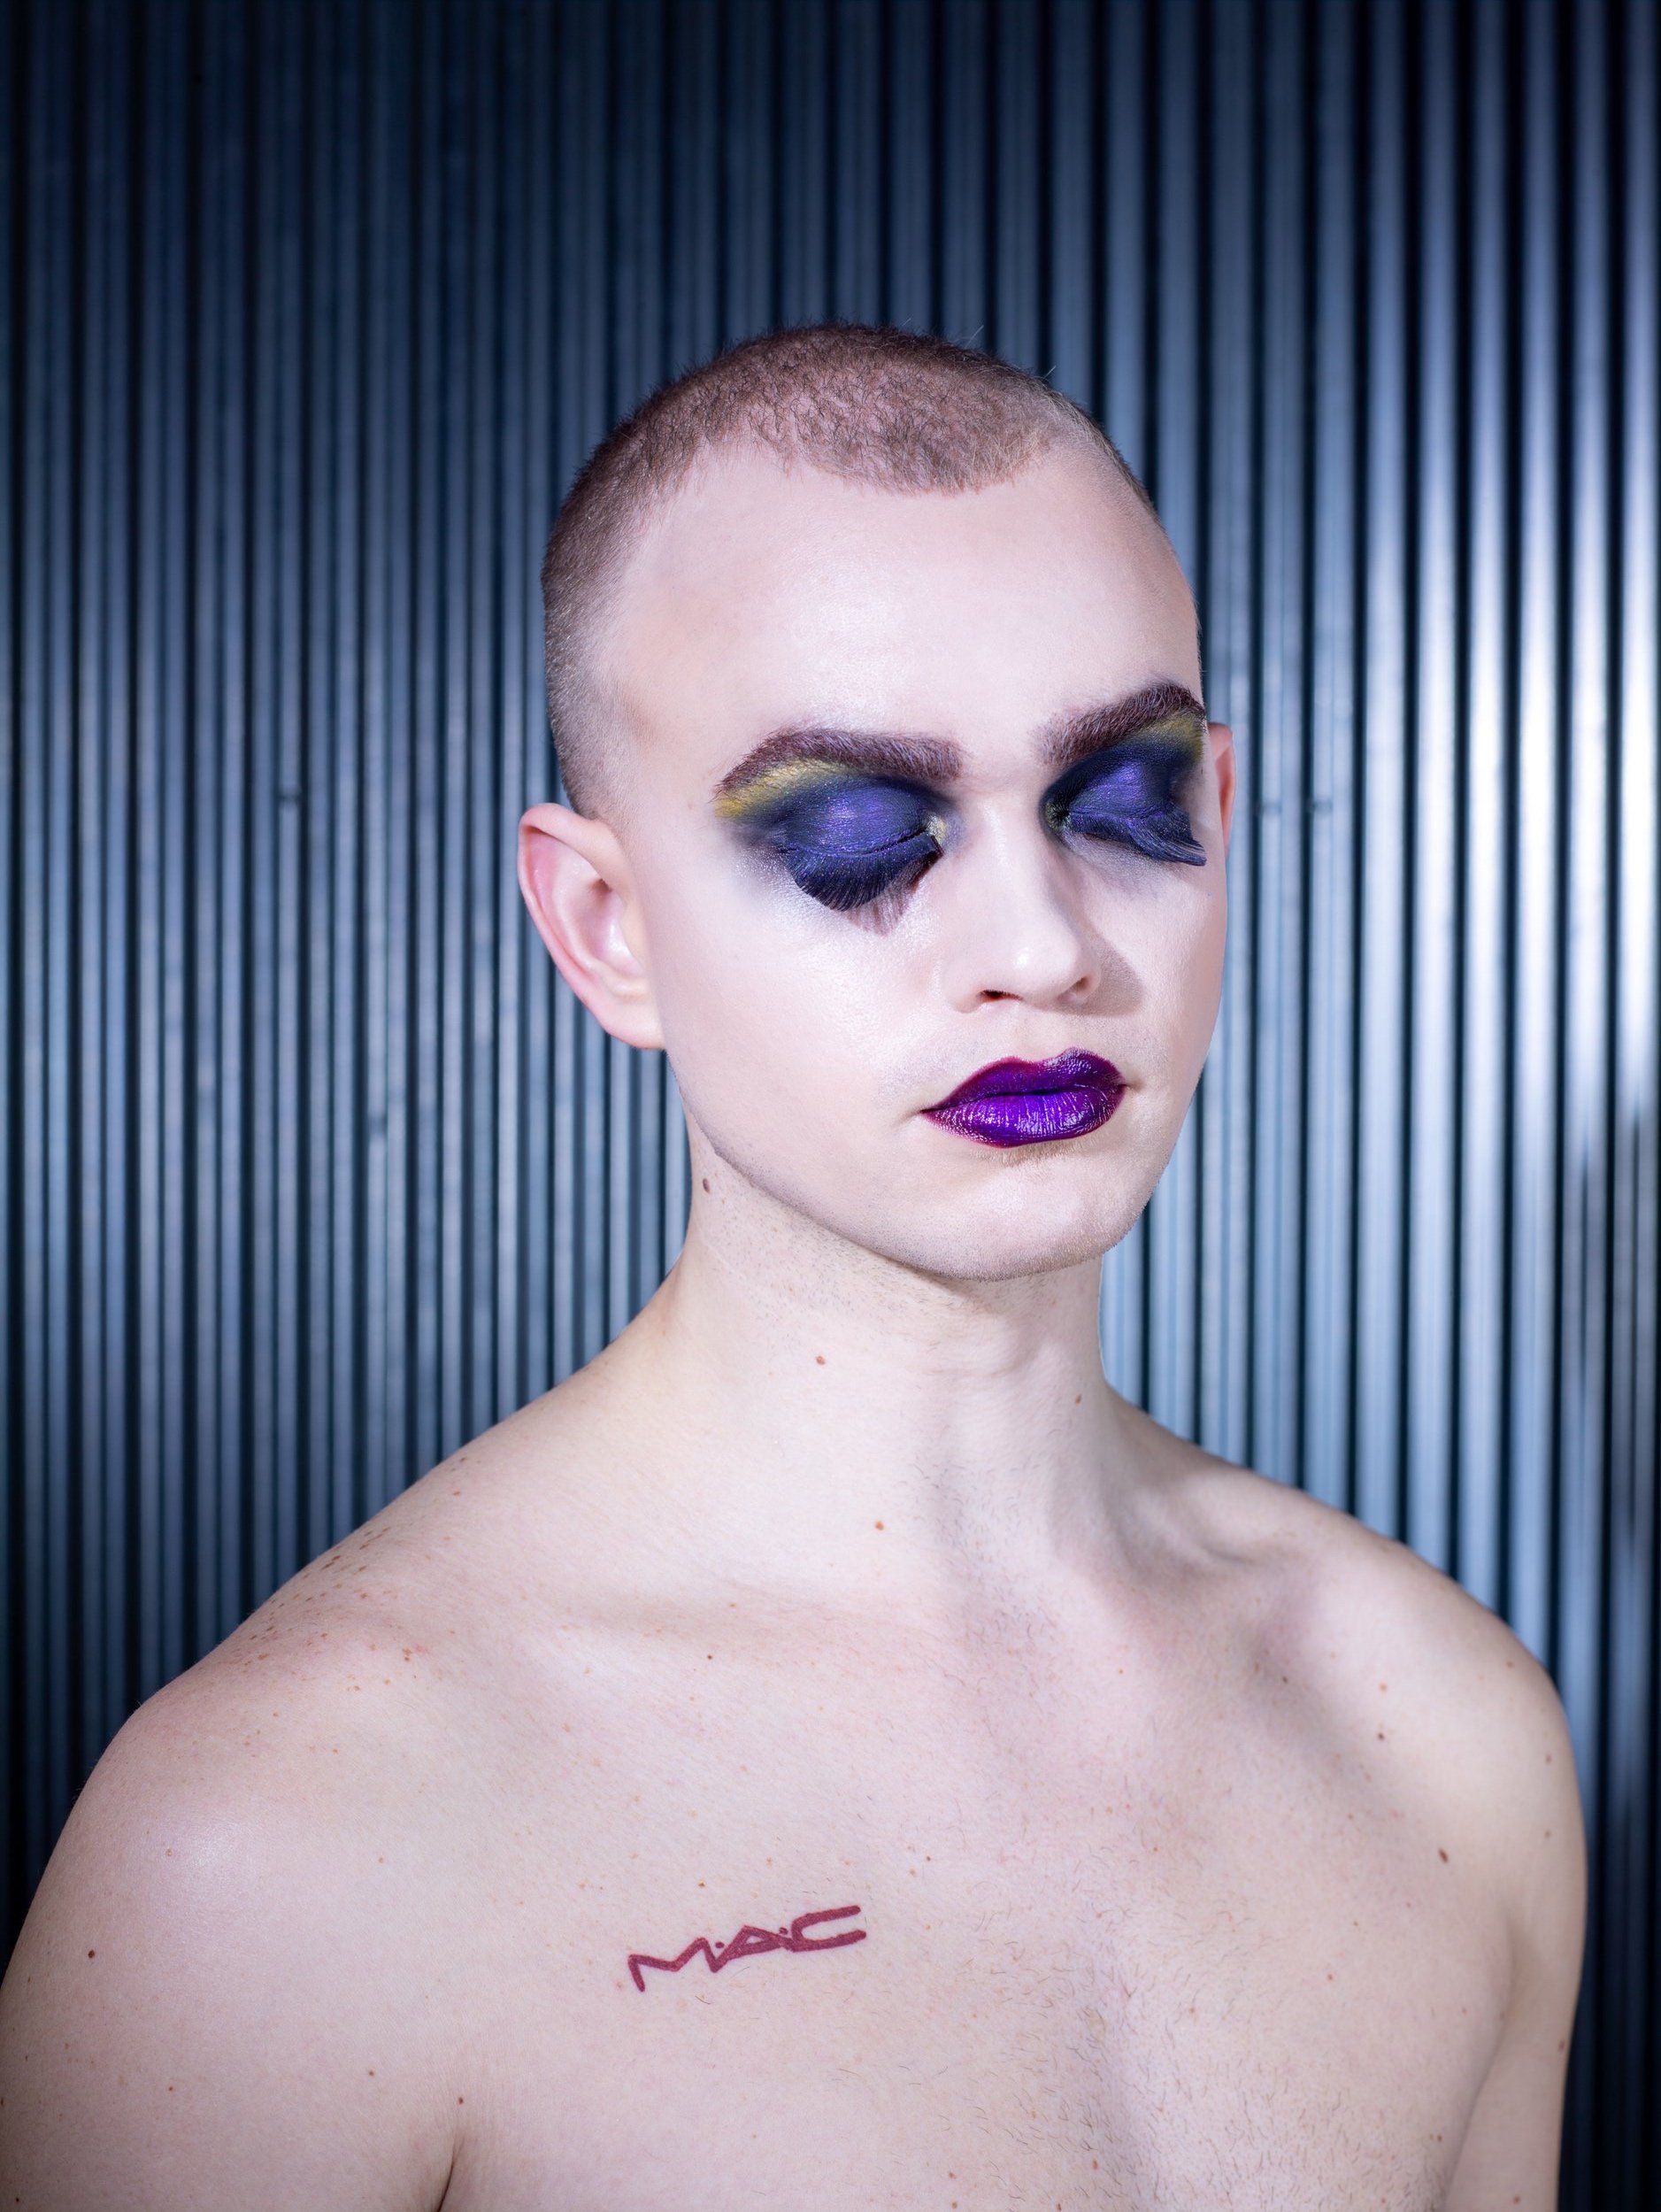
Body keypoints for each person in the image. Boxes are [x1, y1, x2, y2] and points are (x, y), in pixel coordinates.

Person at [0, 325, 1585, 2210]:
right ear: (607, 929)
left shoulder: (1448, 1735)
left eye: (1123, 800)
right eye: (856, 838)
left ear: (1223, 817)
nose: (1041, 943)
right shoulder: (282, 1852)